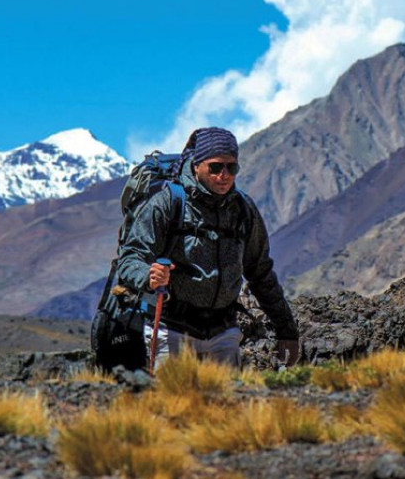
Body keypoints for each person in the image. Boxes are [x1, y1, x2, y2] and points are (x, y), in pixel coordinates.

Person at [116, 127, 300, 369]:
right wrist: (148, 276)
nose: (224, 175)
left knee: (226, 406)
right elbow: (130, 258)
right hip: (171, 331)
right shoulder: (167, 203)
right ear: (196, 166)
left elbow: (261, 272)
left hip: (224, 334)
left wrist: (286, 330)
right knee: (172, 406)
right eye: (215, 167)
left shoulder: (243, 210)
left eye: (231, 168)